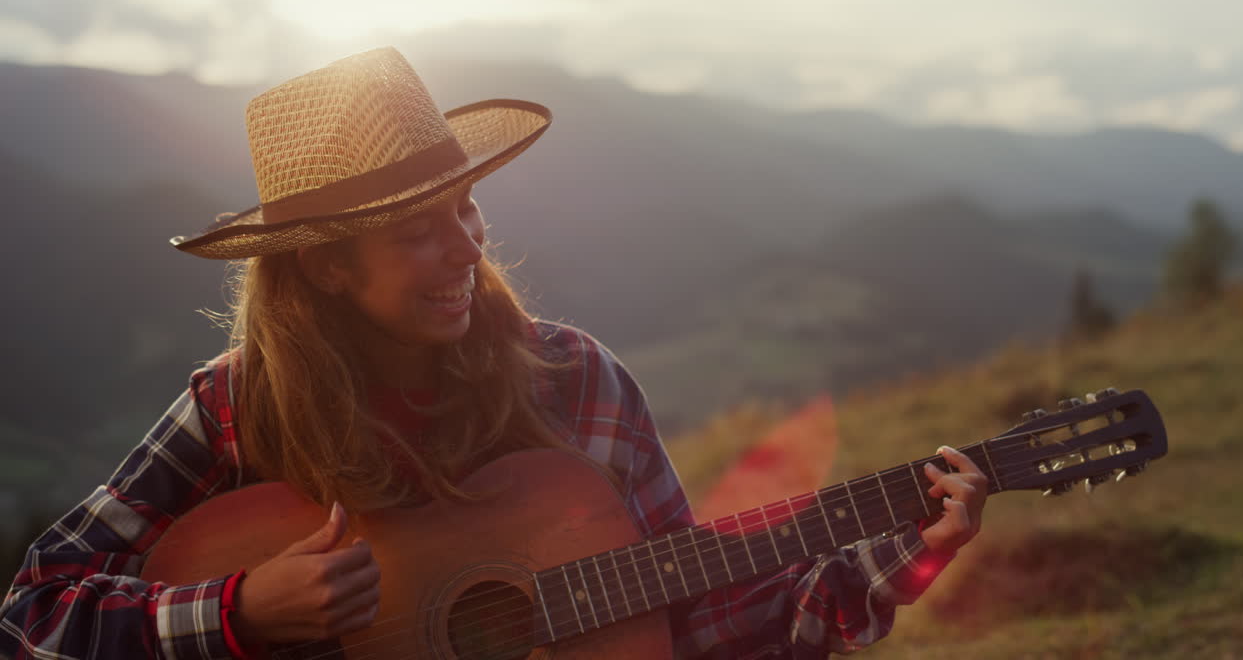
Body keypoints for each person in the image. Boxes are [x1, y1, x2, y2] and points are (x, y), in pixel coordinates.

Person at [0, 47, 988, 659]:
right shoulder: (232, 409)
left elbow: (689, 617)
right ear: (327, 271)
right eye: (416, 232)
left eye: (465, 207)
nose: (467, 247)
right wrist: (240, 611)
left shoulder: (577, 383)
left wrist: (900, 552)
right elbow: (33, 613)